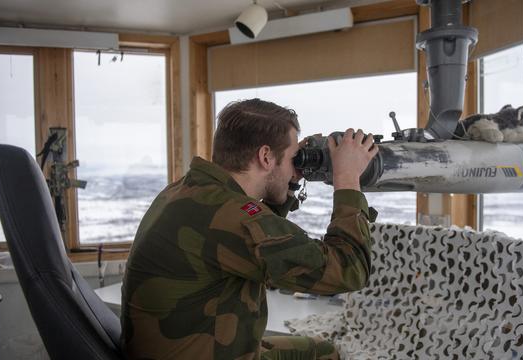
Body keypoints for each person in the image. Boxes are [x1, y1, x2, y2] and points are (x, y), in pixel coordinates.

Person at [121, 98, 379, 360]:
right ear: (266, 156)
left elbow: (252, 234)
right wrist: (347, 178)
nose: (295, 166)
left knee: (320, 351)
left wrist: (290, 177)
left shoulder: (189, 191)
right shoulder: (235, 218)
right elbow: (349, 270)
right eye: (293, 158)